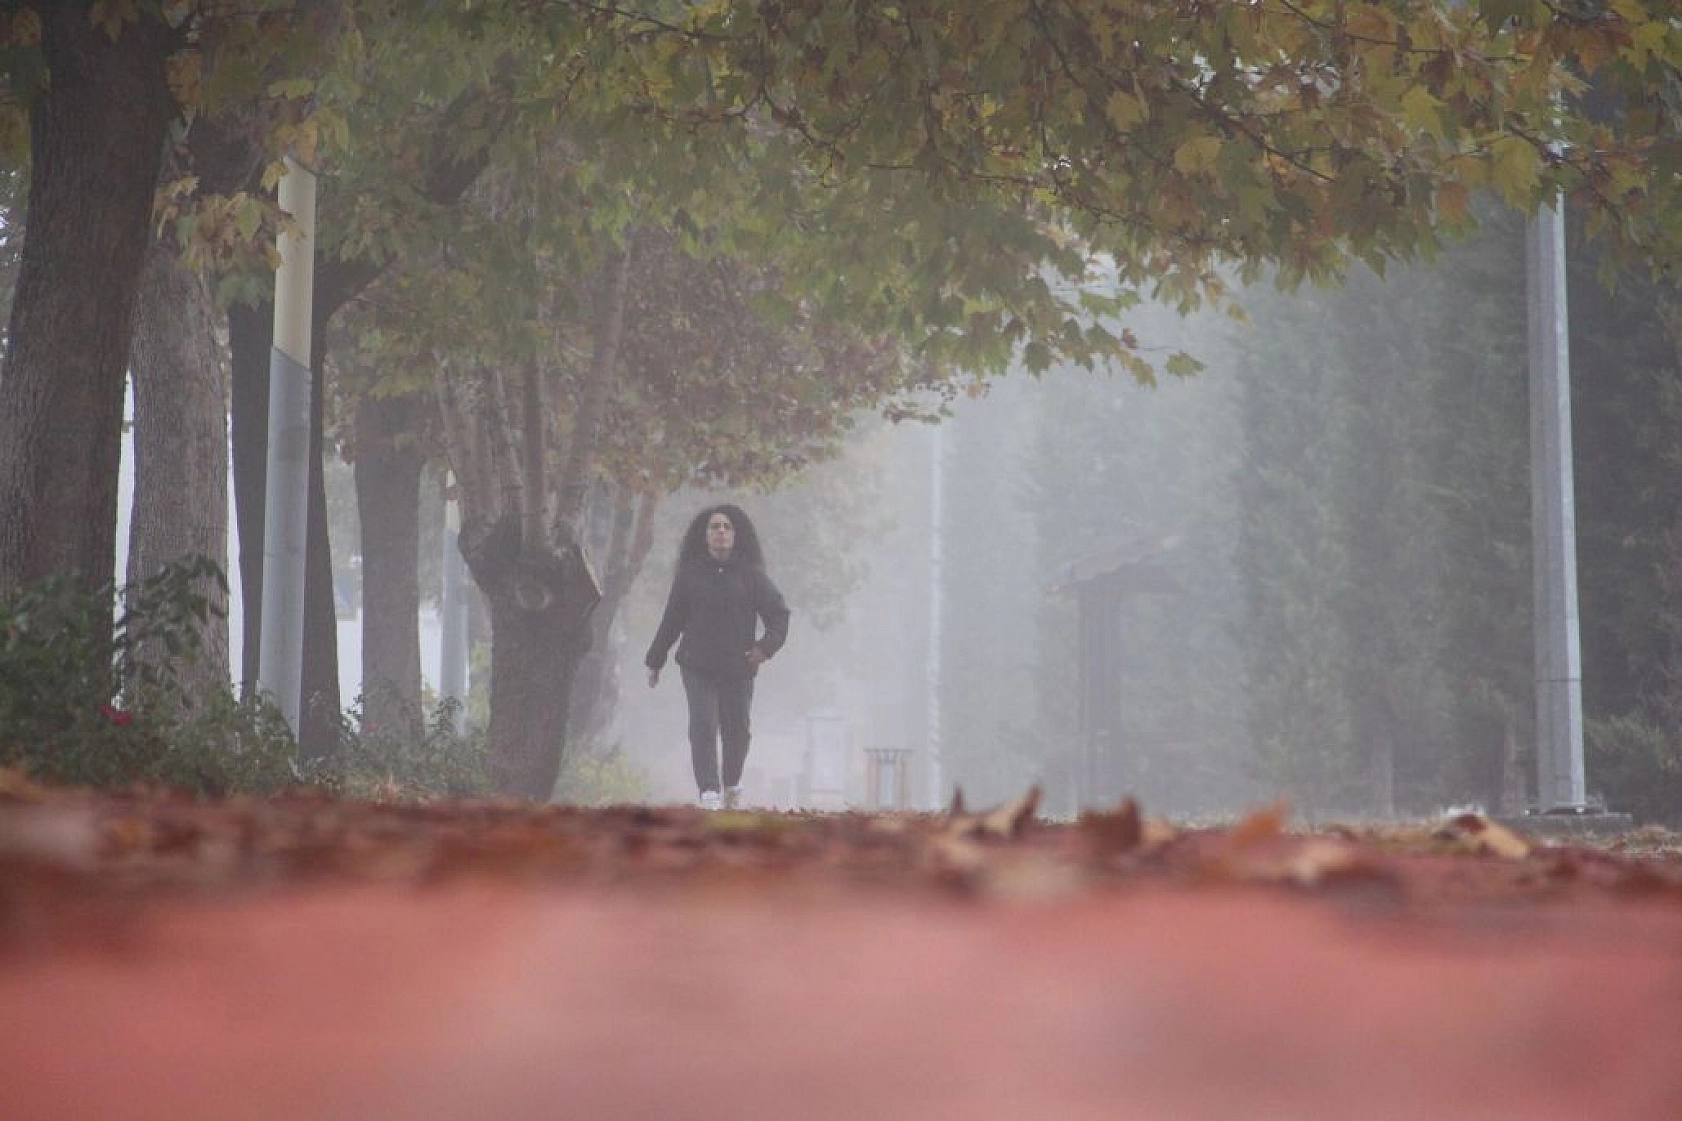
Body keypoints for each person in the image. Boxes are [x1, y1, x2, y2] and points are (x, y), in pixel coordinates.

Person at [645, 504, 790, 810]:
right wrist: (655, 659)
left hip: (739, 668)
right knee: (702, 724)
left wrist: (765, 648)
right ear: (705, 536)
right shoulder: (689, 576)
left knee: (738, 732)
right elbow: (672, 620)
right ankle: (709, 791)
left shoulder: (752, 577)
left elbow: (779, 616)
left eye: (726, 527)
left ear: (736, 535)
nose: (721, 532)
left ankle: (732, 783)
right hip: (697, 665)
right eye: (714, 527)